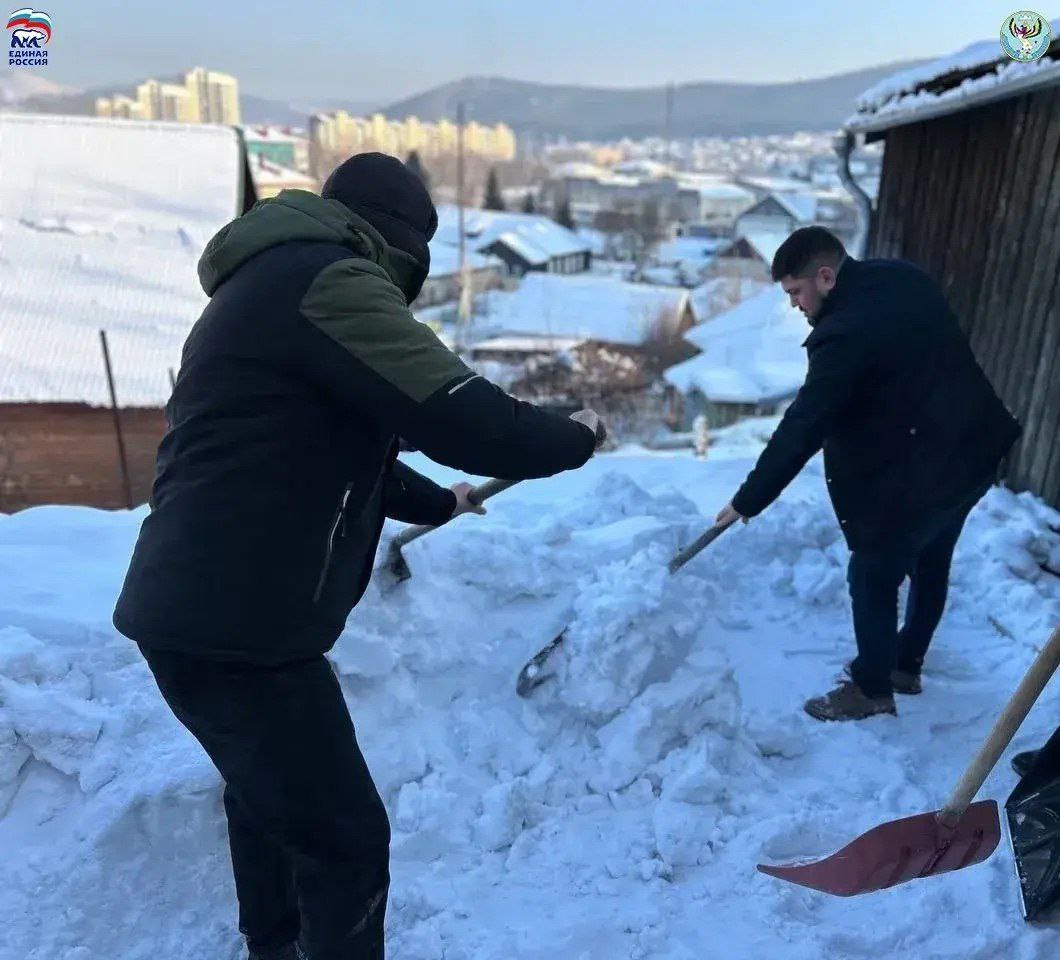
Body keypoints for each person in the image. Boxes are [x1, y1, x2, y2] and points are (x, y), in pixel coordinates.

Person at [113, 153, 606, 960]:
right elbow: (461, 414)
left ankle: (272, 946)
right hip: (243, 628)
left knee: (268, 800)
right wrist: (574, 435)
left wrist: (441, 501)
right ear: (400, 242)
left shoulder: (265, 281)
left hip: (205, 611)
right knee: (347, 838)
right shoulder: (332, 279)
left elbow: (333, 449)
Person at [715, 227, 1020, 722]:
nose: (794, 305)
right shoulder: (901, 277)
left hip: (930, 467)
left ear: (826, 276)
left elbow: (804, 425)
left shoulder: (844, 336)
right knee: (932, 558)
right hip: (974, 449)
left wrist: (749, 499)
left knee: (872, 573)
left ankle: (872, 688)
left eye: (796, 292)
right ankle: (905, 664)